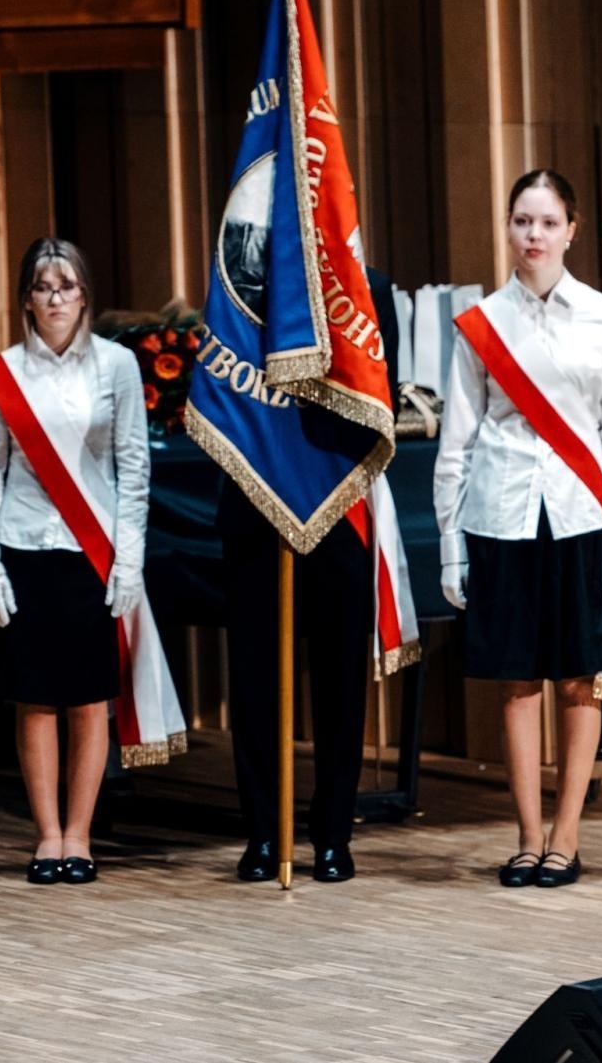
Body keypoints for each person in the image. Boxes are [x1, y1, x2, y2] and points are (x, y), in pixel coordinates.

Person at [434, 169, 602, 888]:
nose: (533, 236)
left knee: (580, 681)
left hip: (583, 514)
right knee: (518, 681)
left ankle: (567, 834)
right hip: (502, 514)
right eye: (522, 221)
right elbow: (455, 441)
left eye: (548, 222)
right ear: (508, 227)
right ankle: (524, 836)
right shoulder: (483, 323)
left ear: (571, 230)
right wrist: (451, 547)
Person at [0, 237, 150, 886]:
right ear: (26, 298)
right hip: (23, 547)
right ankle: (46, 834)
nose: (55, 297)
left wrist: (128, 561)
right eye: (44, 286)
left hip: (90, 551)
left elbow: (135, 466)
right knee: (35, 699)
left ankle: (81, 834)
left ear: (85, 295)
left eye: (67, 285)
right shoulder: (4, 373)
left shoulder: (117, 366)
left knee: (87, 700)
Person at [220, 264, 399, 887]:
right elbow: (221, 396)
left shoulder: (368, 288)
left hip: (335, 506)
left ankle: (331, 834)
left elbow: (384, 399)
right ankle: (265, 833)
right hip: (252, 507)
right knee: (255, 681)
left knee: (339, 683)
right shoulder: (242, 284)